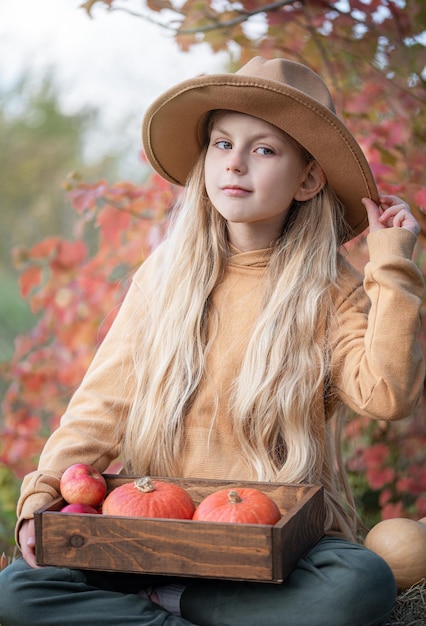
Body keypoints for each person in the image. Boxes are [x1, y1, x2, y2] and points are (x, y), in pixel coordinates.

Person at [0, 56, 424, 626]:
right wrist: (44, 494)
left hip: (274, 544)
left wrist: (392, 267)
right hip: (156, 533)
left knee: (360, 584)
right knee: (16, 592)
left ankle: (173, 608)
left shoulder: (330, 291)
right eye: (222, 144)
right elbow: (101, 407)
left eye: (264, 149)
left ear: (308, 178)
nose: (236, 164)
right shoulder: (164, 277)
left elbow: (388, 396)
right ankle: (190, 609)